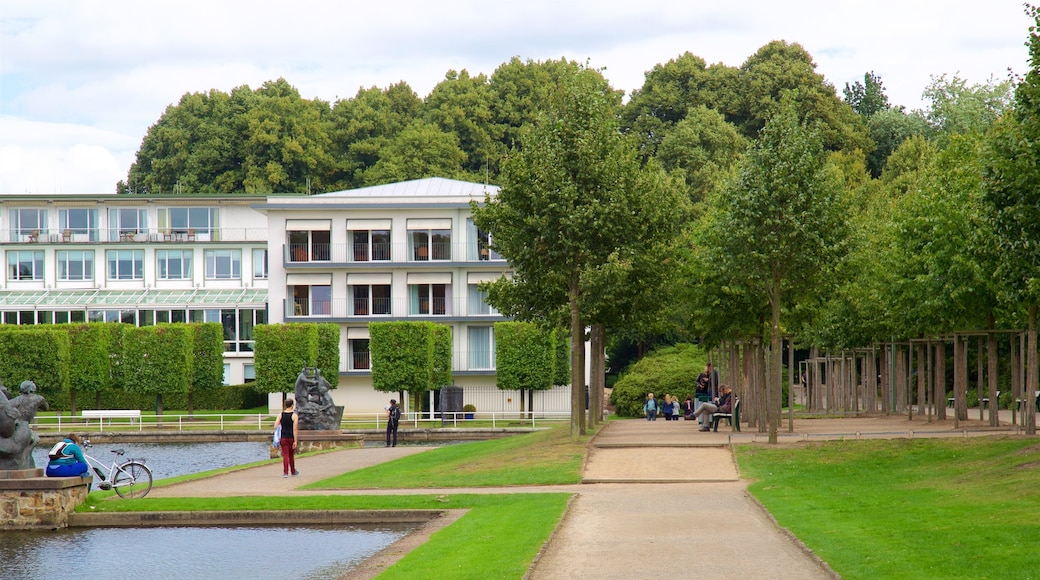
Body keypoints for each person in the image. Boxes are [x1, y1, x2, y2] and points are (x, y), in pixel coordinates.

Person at [277, 399, 299, 477]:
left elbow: (275, 425)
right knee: (291, 455)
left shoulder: (280, 415)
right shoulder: (294, 415)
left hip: (283, 437)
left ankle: (285, 472)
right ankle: (293, 471)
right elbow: (295, 429)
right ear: (292, 405)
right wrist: (295, 441)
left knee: (285, 455)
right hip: (291, 437)